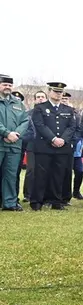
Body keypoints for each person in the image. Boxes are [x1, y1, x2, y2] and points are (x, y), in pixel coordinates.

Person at [30, 82, 77, 211]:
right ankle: (37, 201)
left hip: (62, 147)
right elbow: (40, 125)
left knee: (59, 174)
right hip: (44, 146)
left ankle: (56, 201)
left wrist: (63, 139)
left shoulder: (68, 109)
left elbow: (72, 127)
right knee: (41, 174)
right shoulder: (40, 108)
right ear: (49, 92)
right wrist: (53, 138)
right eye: (56, 91)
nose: (58, 94)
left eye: (60, 92)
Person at [0, 75, 28, 211]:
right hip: (1, 143)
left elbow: (25, 121)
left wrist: (15, 134)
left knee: (10, 175)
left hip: (14, 145)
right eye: (4, 84)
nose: (7, 87)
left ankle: (9, 203)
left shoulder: (18, 103)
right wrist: (6, 133)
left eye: (10, 85)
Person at [22, 90, 48, 202]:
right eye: (38, 97)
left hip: (46, 145)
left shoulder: (49, 113)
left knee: (45, 170)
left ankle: (44, 194)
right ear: (34, 99)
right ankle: (28, 194)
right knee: (31, 170)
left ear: (46, 99)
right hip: (32, 145)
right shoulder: (28, 113)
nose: (40, 98)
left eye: (42, 97)